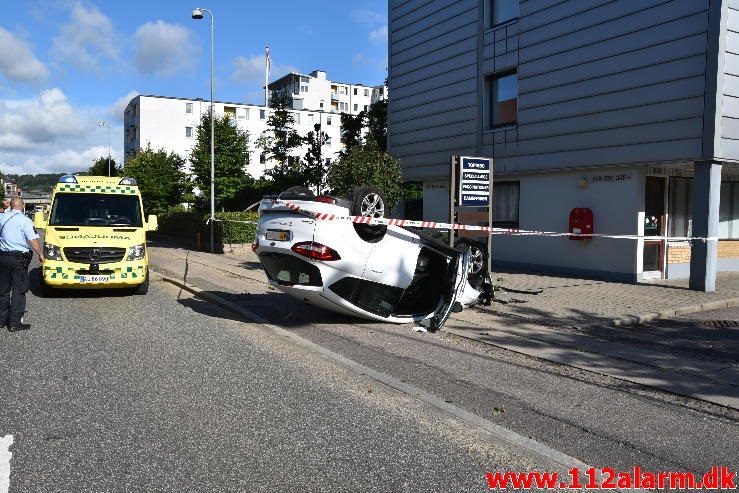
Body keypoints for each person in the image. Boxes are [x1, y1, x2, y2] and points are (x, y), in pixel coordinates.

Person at [0, 197, 44, 332]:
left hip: (2, 257)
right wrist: (40, 254)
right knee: (19, 290)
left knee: (2, 291)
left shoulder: (1, 218)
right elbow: (32, 240)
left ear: (11, 206)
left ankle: (1, 320)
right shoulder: (25, 220)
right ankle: (14, 323)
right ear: (22, 206)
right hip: (18, 259)